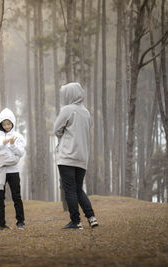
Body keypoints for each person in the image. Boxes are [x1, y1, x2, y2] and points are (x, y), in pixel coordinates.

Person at [53, 82, 99, 230]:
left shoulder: (67, 110)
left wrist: (63, 136)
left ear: (69, 95)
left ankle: (76, 221)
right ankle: (91, 217)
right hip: (82, 157)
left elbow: (56, 129)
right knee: (78, 189)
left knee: (70, 190)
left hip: (67, 156)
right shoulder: (86, 113)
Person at [0, 108, 26, 230]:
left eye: (9, 123)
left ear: (13, 123)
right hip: (0, 170)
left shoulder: (18, 136)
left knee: (16, 197)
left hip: (13, 171)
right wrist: (3, 143)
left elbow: (21, 152)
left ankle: (20, 222)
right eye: (4, 124)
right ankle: (1, 223)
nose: (6, 126)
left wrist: (12, 144)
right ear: (0, 124)